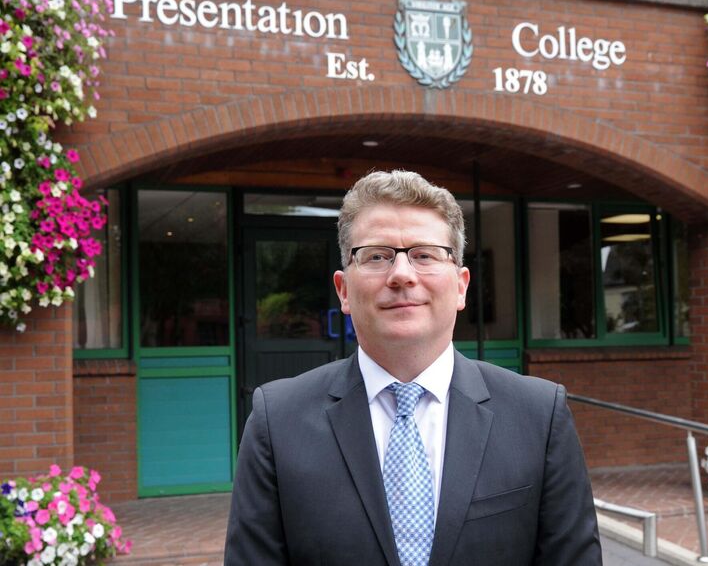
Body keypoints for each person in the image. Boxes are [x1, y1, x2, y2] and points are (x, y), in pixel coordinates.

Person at [224, 170, 602, 565]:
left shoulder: (538, 416)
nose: (402, 275)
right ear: (343, 290)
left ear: (461, 286)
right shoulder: (277, 421)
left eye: (424, 255)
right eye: (376, 256)